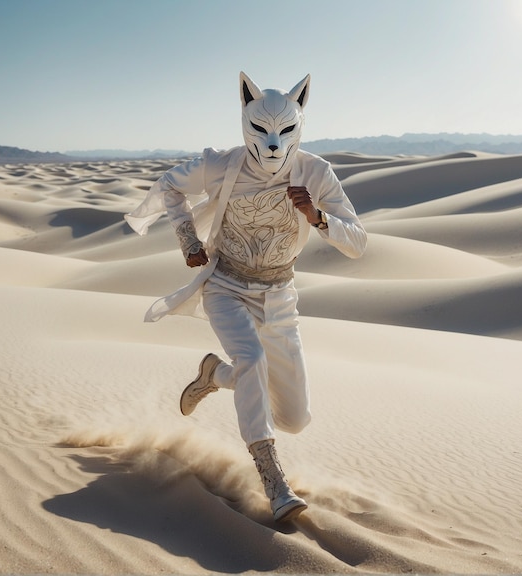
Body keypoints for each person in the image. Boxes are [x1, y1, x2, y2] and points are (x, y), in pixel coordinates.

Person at [125, 72, 367, 522]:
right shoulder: (222, 165)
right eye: (261, 129)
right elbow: (170, 185)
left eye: (285, 130)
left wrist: (316, 217)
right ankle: (274, 482)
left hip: (279, 296)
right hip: (226, 286)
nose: (273, 143)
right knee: (253, 360)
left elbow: (358, 242)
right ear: (245, 117)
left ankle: (215, 375)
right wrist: (188, 241)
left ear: (300, 123)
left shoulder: (316, 172)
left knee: (295, 418)